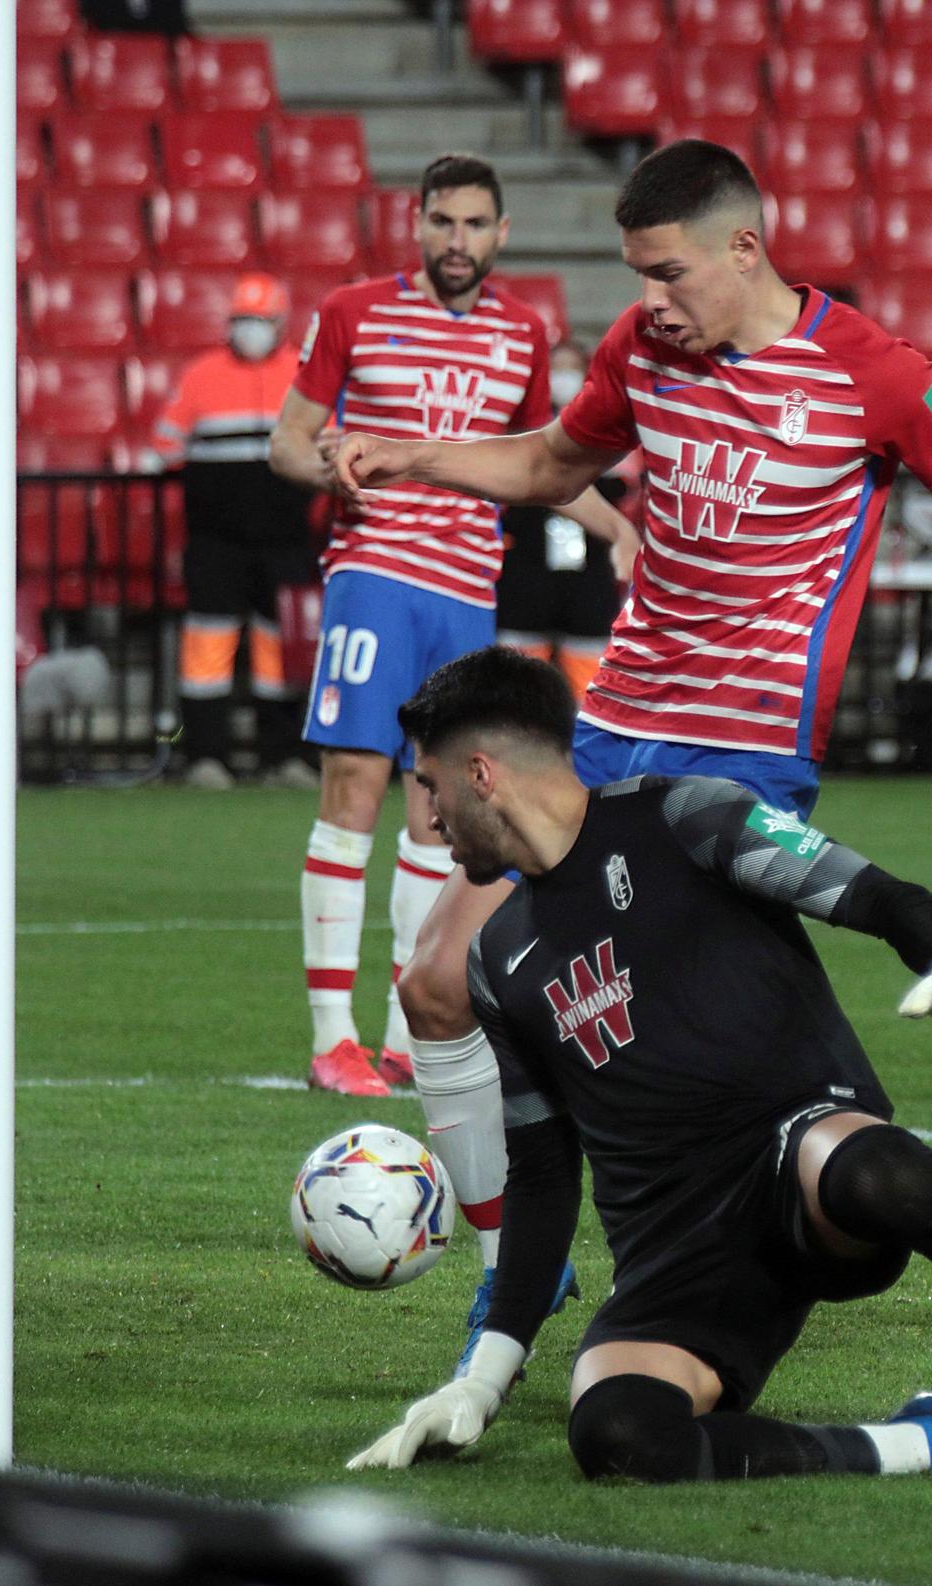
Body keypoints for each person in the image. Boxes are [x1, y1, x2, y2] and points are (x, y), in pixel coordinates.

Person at [329, 140, 932, 1370]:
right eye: (637, 275)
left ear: (744, 247)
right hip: (612, 724)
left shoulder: (869, 371)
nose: (650, 300)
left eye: (667, 273)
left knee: (698, 1049)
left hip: (741, 756)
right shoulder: (638, 350)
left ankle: (871, 1231)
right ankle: (514, 1265)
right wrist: (413, 455)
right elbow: (548, 465)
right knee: (438, 981)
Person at [345, 646, 932, 1481]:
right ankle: (930, 1444)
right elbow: (541, 1177)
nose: (425, 817)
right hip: (674, 1254)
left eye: (429, 786)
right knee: (618, 1434)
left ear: (482, 774)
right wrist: (481, 1381)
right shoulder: (498, 957)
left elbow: (881, 898)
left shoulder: (686, 817)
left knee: (882, 1176)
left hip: (802, 1172)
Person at [269, 152, 634, 1100]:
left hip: (468, 591)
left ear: (502, 234)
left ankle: (399, 1034)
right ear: (418, 224)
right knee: (353, 785)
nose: (457, 241)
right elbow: (285, 441)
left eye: (475, 225)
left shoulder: (523, 333)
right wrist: (332, 468)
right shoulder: (354, 311)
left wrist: (623, 529)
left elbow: (541, 464)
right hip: (376, 577)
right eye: (442, 222)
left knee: (441, 811)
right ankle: (328, 1040)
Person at [151, 272, 316, 789]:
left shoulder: (305, 379)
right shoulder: (201, 376)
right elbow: (163, 449)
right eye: (243, 320)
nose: (251, 330)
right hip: (216, 544)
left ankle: (283, 759)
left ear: (282, 323)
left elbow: (329, 448)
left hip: (287, 542)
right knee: (207, 652)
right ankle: (204, 759)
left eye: (261, 321)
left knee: (279, 655)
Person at [496, 337, 637, 701]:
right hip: (525, 581)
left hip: (590, 582)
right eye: (556, 370)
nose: (563, 378)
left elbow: (626, 487)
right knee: (515, 696)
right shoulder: (519, 431)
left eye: (572, 369)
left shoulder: (613, 428)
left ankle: (582, 757)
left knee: (590, 693)